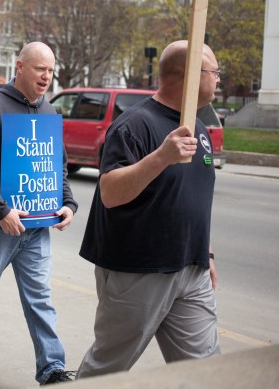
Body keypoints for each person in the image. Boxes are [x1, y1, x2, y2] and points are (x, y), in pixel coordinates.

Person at [75, 40, 220, 378]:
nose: (218, 79)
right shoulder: (134, 125)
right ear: (190, 76)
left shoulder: (198, 129)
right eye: (214, 72)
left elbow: (193, 197)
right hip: (139, 270)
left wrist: (207, 252)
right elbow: (110, 192)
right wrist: (161, 157)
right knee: (108, 368)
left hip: (191, 268)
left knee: (207, 370)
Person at [0, 42, 78, 387]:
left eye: (51, 71)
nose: (46, 77)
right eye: (40, 69)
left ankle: (51, 368)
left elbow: (57, 166)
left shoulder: (49, 112)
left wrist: (67, 203)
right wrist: (1, 209)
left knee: (41, 298)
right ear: (19, 67)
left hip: (36, 227)